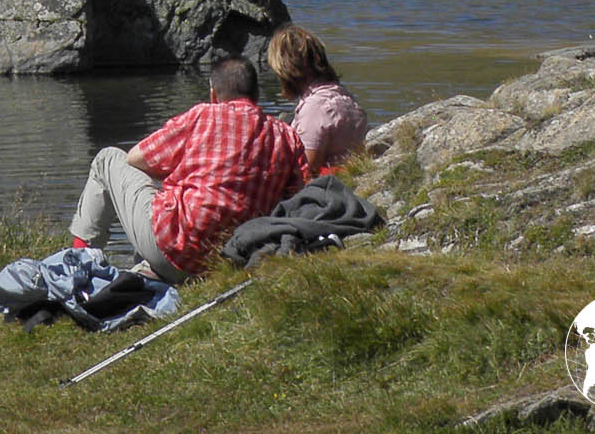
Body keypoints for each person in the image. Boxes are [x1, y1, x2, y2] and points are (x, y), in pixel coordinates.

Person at [67, 55, 306, 280]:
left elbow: (136, 158)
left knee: (107, 159)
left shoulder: (203, 116)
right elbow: (298, 198)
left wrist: (180, 171)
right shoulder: (286, 136)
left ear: (213, 94)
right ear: (256, 94)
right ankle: (143, 267)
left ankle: (80, 263)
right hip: (233, 262)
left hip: (174, 253)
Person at [268, 25, 369, 175]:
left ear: (286, 69)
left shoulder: (315, 109)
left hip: (326, 190)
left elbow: (306, 172)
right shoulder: (343, 97)